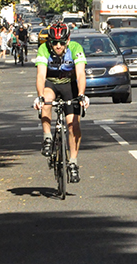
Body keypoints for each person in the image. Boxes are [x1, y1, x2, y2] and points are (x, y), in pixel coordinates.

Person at [33, 22, 89, 183]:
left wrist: (81, 95)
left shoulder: (76, 48)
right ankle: (47, 137)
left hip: (69, 85)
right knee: (47, 100)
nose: (58, 46)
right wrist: (39, 96)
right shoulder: (44, 49)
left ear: (68, 40)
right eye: (54, 42)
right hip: (51, 83)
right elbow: (40, 76)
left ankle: (73, 162)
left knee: (73, 125)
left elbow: (80, 74)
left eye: (62, 42)